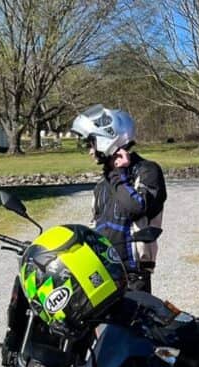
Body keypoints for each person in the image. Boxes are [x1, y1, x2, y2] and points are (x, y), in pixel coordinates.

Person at [70, 105, 166, 293]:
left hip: (132, 273)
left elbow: (136, 208)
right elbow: (96, 226)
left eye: (92, 144)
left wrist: (118, 173)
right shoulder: (103, 183)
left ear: (108, 140)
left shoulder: (147, 171)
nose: (90, 151)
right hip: (104, 270)